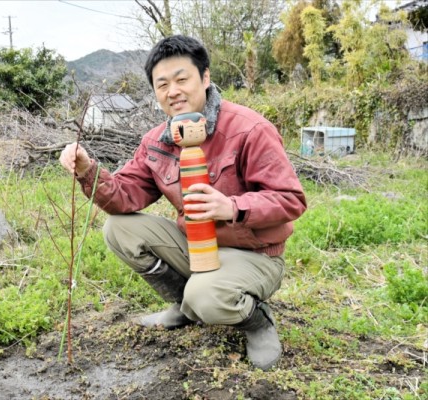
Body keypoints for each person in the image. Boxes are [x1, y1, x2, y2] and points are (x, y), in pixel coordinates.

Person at [59, 35, 306, 371]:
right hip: (197, 246)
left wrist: (232, 207)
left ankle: (257, 321)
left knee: (206, 297)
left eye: (181, 79)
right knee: (119, 229)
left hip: (254, 254)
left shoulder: (249, 129)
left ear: (205, 78)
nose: (172, 91)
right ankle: (184, 305)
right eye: (162, 84)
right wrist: (89, 171)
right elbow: (124, 196)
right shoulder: (157, 141)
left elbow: (291, 200)